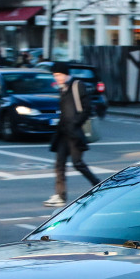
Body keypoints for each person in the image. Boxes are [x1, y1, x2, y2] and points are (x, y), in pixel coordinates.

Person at [44, 63, 100, 207]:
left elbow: (87, 108)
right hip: (63, 133)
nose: (56, 78)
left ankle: (99, 185)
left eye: (58, 75)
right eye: (55, 76)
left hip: (74, 133)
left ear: (65, 74)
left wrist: (76, 123)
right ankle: (60, 195)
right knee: (59, 165)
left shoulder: (77, 85)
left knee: (78, 163)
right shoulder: (63, 88)